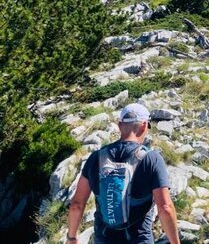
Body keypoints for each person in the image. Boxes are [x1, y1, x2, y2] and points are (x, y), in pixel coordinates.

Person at [67, 103, 180, 244]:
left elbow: (77, 204)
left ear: (120, 125)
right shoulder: (152, 159)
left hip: (104, 238)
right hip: (139, 239)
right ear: (144, 126)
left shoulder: (96, 157)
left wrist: (71, 237)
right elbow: (165, 208)